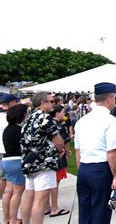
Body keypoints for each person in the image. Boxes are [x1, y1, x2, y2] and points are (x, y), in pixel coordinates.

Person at [75, 82, 116, 224]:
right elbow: (112, 152)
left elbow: (78, 151)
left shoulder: (82, 121)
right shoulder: (111, 121)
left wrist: (81, 170)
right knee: (100, 213)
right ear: (109, 99)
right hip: (100, 169)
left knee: (85, 213)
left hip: (84, 168)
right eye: (114, 98)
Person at [20, 92, 65, 224]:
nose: (54, 103)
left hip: (29, 162)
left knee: (28, 195)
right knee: (40, 199)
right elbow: (58, 140)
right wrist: (60, 149)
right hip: (44, 162)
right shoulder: (45, 118)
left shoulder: (28, 119)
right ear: (42, 103)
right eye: (51, 101)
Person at [2, 104, 28, 224]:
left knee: (8, 191)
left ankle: (6, 218)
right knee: (17, 192)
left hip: (6, 161)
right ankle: (14, 219)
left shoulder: (7, 130)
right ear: (21, 116)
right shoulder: (20, 130)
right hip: (17, 161)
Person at [46, 105, 71, 217]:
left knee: (47, 183)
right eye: (62, 112)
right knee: (55, 182)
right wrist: (66, 152)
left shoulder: (46, 123)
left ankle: (46, 206)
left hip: (46, 157)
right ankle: (54, 207)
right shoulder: (59, 127)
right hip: (57, 157)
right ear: (57, 113)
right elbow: (65, 141)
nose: (63, 114)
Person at [0, 94, 20, 218]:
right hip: (8, 152)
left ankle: (6, 215)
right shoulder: (8, 118)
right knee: (10, 186)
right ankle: (11, 216)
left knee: (5, 183)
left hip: (3, 152)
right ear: (11, 103)